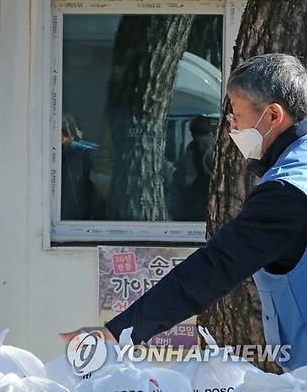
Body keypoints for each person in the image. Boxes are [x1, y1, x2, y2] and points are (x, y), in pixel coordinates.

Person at [62, 53, 307, 371]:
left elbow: (212, 269)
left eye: (237, 115)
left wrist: (115, 333)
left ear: (273, 115)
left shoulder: (286, 191)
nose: (232, 127)